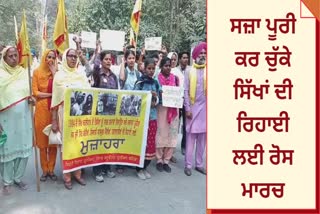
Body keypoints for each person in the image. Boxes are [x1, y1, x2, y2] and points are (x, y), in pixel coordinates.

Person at [51, 48, 90, 190]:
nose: (73, 59)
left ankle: (78, 174)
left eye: (75, 56)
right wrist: (54, 120)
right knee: (66, 146)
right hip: (64, 115)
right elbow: (55, 101)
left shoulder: (81, 75)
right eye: (70, 56)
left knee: (78, 145)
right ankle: (67, 176)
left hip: (79, 116)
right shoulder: (59, 76)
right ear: (65, 58)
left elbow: (88, 93)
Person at [0, 46, 34, 195]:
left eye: (16, 55)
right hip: (6, 120)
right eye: (10, 56)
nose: (14, 58)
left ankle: (18, 178)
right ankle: (7, 182)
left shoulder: (23, 73)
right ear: (4, 58)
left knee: (23, 149)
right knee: (8, 150)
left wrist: (32, 100)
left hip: (24, 118)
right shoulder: (0, 74)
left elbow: (28, 96)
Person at [91, 50, 118, 182]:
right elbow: (94, 66)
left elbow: (117, 94)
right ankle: (97, 170)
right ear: (101, 61)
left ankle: (107, 168)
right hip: (99, 115)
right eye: (106, 59)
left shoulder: (114, 76)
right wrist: (98, 49)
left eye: (110, 59)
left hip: (110, 115)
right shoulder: (97, 74)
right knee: (98, 142)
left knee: (108, 141)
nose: (108, 61)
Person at [32, 49, 58, 182]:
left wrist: (55, 73)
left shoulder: (58, 74)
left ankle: (52, 169)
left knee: (53, 142)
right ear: (44, 58)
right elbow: (35, 92)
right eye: (48, 57)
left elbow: (60, 88)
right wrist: (50, 95)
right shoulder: (37, 72)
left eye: (53, 57)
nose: (51, 60)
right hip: (42, 110)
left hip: (54, 111)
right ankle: (45, 170)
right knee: (43, 143)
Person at [134, 58, 160, 179]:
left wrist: (156, 100)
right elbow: (134, 98)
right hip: (142, 118)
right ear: (144, 69)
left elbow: (160, 98)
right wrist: (148, 94)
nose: (151, 71)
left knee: (150, 143)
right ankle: (139, 169)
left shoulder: (155, 83)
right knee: (141, 144)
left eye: (153, 69)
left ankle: (145, 167)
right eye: (149, 68)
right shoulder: (140, 83)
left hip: (153, 117)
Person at [183, 42, 207, 176]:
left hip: (206, 109)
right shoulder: (188, 71)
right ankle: (188, 165)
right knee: (191, 137)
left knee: (202, 138)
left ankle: (199, 164)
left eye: (205, 53)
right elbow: (185, 90)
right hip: (192, 108)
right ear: (195, 56)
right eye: (201, 53)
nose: (203, 56)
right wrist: (187, 108)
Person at [155, 57, 180, 173]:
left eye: (169, 65)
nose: (168, 68)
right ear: (161, 67)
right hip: (161, 110)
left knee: (172, 135)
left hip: (173, 110)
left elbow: (179, 92)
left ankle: (166, 160)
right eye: (165, 65)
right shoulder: (157, 79)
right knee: (161, 134)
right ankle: (159, 160)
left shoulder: (175, 78)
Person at [171, 51, 191, 156]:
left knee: (186, 125)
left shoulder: (191, 70)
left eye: (187, 58)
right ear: (180, 59)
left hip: (187, 100)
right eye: (183, 57)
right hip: (176, 100)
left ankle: (184, 146)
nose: (185, 59)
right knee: (175, 124)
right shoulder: (174, 71)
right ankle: (172, 147)